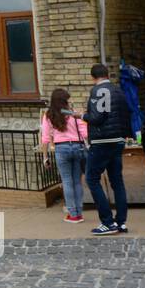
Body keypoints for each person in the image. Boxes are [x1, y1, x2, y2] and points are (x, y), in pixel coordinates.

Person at [83, 64, 131, 235]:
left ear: (93, 77)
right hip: (118, 140)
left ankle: (107, 222)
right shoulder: (118, 91)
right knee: (117, 181)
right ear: (107, 74)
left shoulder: (98, 91)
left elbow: (98, 118)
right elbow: (127, 114)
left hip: (101, 140)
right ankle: (121, 222)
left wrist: (82, 115)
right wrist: (124, 135)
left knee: (92, 179)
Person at [40, 88, 88, 223]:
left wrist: (45, 157)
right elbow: (85, 133)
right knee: (77, 181)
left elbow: (45, 138)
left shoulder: (49, 115)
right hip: (78, 147)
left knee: (67, 181)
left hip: (61, 148)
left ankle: (72, 214)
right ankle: (79, 213)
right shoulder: (73, 113)